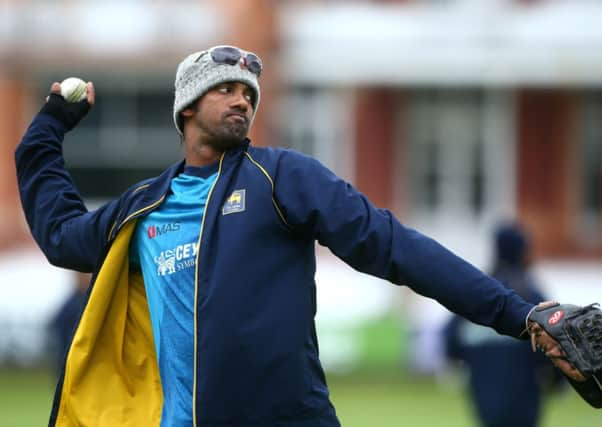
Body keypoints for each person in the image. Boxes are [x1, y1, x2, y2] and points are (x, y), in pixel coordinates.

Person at [14, 45, 572, 427]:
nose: (243, 100)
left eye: (249, 93)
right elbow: (62, 235)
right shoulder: (143, 207)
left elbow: (395, 246)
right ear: (186, 109)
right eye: (226, 89)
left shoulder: (281, 177)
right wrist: (48, 129)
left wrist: (516, 314)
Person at [444, 223, 564, 427]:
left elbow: (451, 343)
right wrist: (556, 381)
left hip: (485, 405)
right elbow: (557, 344)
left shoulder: (476, 294)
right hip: (525, 406)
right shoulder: (532, 297)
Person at [49, 272, 90, 376]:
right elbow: (57, 326)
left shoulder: (91, 300)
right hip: (69, 357)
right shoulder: (71, 304)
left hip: (86, 358)